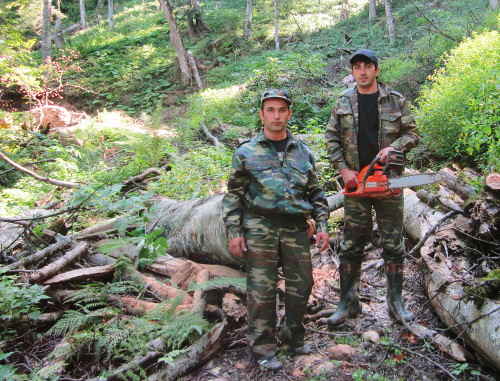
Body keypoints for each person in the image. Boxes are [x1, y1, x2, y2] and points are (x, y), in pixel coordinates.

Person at [221, 90, 330, 371]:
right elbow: (233, 196)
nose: (276, 115)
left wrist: (323, 226)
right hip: (260, 225)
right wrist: (234, 231)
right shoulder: (246, 151)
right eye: (271, 110)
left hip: (295, 227)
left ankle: (293, 336)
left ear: (289, 114)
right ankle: (263, 347)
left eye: (282, 110)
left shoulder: (302, 151)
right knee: (261, 290)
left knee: (302, 284)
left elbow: (316, 192)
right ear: (262, 114)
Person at [324, 49, 420, 328]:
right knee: (352, 244)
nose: (362, 71)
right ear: (352, 72)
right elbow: (331, 139)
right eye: (357, 67)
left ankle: (395, 302)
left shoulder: (395, 99)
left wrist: (395, 147)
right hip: (356, 184)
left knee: (393, 244)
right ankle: (348, 302)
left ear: (377, 70)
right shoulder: (343, 101)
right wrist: (343, 169)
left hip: (388, 182)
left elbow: (412, 133)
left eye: (367, 66)